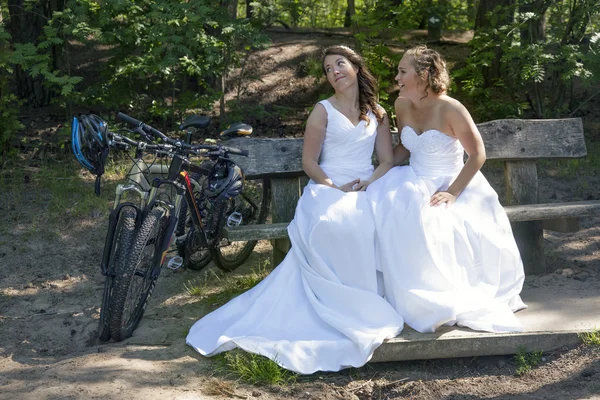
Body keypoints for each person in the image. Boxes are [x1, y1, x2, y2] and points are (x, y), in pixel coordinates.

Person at [186, 45, 404, 374]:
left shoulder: (378, 112)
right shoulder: (322, 111)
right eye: (328, 69)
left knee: (382, 219)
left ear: (356, 67)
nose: (334, 72)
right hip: (328, 186)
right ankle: (339, 307)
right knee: (335, 222)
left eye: (340, 64)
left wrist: (371, 182)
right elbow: (309, 162)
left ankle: (376, 301)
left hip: (368, 185)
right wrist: (334, 186)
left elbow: (387, 160)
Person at [368, 45, 527, 334]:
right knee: (386, 209)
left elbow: (478, 155)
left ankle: (438, 296)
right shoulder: (401, 105)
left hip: (453, 181)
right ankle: (403, 292)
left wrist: (453, 193)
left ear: (424, 74)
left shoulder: (451, 108)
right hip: (414, 179)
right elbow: (406, 146)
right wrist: (385, 167)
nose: (397, 77)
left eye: (403, 71)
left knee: (436, 221)